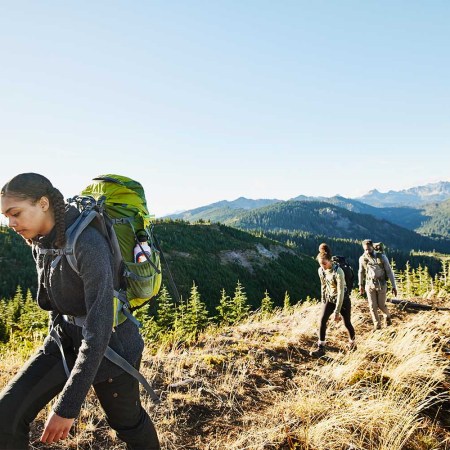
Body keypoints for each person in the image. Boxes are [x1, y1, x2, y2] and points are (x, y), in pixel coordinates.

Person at [0, 173, 160, 450]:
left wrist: (67, 407)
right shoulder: (41, 240)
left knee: (128, 425)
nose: (11, 223)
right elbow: (55, 301)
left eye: (16, 213)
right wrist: (54, 341)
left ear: (43, 203)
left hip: (112, 346)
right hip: (64, 340)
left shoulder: (87, 243)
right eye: (5, 216)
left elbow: (99, 331)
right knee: (6, 416)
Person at [310, 243, 356, 357]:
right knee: (322, 320)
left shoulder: (338, 272)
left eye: (324, 264)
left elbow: (341, 292)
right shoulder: (321, 270)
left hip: (343, 299)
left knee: (347, 323)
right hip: (330, 298)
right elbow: (323, 286)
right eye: (320, 264)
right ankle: (321, 348)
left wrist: (337, 311)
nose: (323, 266)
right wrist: (323, 300)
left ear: (330, 261)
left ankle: (353, 343)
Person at [358, 239, 398, 331]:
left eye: (369, 249)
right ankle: (377, 325)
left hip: (381, 284)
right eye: (365, 250)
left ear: (373, 247)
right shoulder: (362, 259)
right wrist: (360, 285)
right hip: (369, 284)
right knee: (372, 306)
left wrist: (394, 286)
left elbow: (389, 271)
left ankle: (387, 316)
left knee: (381, 305)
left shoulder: (382, 257)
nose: (367, 251)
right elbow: (361, 272)